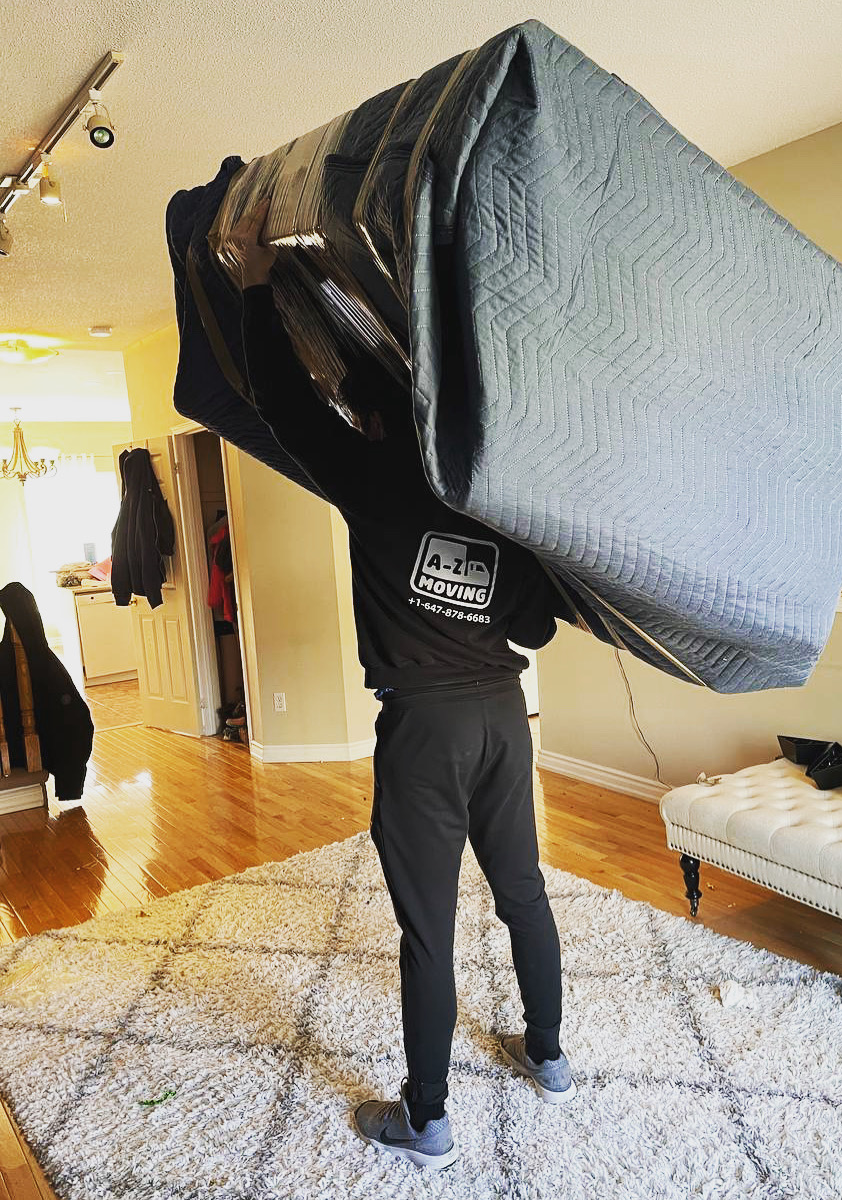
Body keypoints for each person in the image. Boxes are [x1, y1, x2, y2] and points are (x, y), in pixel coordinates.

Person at [225, 199, 577, 1171]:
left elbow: (281, 402)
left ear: (375, 417)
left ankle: (427, 1121)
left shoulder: (371, 476)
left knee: (429, 931)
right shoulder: (496, 498)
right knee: (523, 893)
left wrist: (255, 283)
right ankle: (548, 1057)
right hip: (504, 716)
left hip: (425, 731)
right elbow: (537, 626)